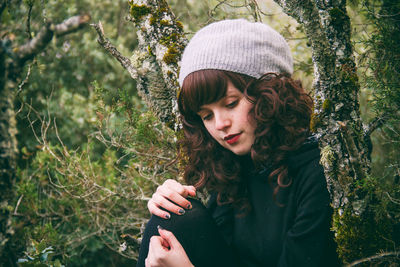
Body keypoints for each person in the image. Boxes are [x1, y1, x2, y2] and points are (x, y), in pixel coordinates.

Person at [137, 19, 340, 267]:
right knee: (169, 219)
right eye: (207, 116)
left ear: (270, 94)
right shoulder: (235, 167)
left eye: (231, 103)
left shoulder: (319, 169)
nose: (220, 124)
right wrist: (168, 201)